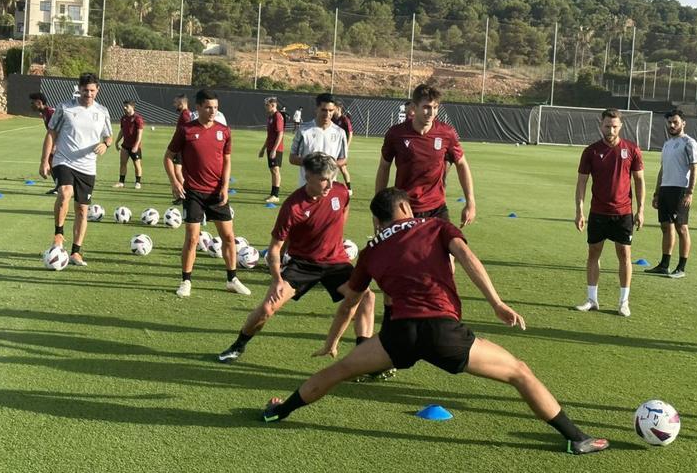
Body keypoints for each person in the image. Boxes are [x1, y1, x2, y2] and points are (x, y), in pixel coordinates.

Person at [259, 187, 610, 456]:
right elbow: (466, 256)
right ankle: (576, 439)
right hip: (443, 331)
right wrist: (496, 303)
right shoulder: (436, 225)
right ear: (406, 208)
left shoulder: (370, 250)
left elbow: (350, 304)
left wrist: (332, 342)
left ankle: (280, 411)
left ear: (379, 221)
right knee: (519, 372)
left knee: (336, 372)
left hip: (397, 336)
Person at [217, 152, 375, 363]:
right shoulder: (293, 207)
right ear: (308, 176)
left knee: (367, 297)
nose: (329, 184)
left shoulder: (340, 192)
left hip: (335, 263)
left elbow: (344, 209)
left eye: (332, 178)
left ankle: (363, 355)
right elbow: (274, 248)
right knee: (266, 308)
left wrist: (335, 241)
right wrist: (276, 280)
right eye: (323, 179)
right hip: (303, 265)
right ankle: (238, 346)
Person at [163, 89, 251, 298]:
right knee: (192, 238)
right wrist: (175, 182)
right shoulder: (186, 130)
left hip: (216, 193)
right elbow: (168, 156)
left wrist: (224, 187)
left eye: (216, 108)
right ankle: (186, 281)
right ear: (199, 107)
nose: (213, 111)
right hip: (193, 191)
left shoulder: (224, 131)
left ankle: (232, 279)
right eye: (209, 107)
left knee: (229, 236)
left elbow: (227, 160)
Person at [574, 108, 645, 317]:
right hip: (598, 212)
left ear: (621, 126)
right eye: (607, 126)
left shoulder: (632, 150)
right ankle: (592, 299)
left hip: (623, 213)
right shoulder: (591, 151)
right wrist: (579, 210)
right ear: (600, 125)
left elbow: (639, 181)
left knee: (624, 255)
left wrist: (640, 210)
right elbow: (581, 182)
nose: (611, 130)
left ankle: (624, 302)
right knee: (593, 252)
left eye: (614, 126)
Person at [37, 72, 112, 266]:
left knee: (82, 210)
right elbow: (51, 133)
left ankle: (76, 252)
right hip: (64, 161)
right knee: (64, 192)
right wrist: (45, 161)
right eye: (85, 90)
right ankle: (58, 234)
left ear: (98, 90)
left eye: (92, 90)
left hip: (87, 167)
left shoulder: (102, 111)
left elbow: (108, 136)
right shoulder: (65, 108)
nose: (88, 94)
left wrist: (106, 144)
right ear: (78, 89)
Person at [376, 84, 475, 226]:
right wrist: (379, 210)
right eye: (426, 107)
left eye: (435, 108)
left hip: (437, 208)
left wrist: (470, 203)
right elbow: (384, 167)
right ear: (414, 107)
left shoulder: (446, 133)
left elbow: (462, 164)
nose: (431, 113)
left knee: (452, 247)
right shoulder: (396, 134)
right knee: (405, 249)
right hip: (404, 209)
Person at [645, 109, 697, 278]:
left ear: (683, 123)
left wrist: (690, 192)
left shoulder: (689, 143)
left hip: (680, 190)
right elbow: (663, 169)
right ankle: (664, 264)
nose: (672, 125)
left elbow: (694, 167)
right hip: (666, 189)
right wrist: (656, 193)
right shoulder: (667, 144)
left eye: (675, 122)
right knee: (665, 226)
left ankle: (681, 267)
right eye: (669, 122)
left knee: (681, 228)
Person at [289, 93, 348, 189]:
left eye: (331, 110)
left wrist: (327, 165)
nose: (327, 114)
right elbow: (292, 158)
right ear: (316, 109)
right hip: (307, 187)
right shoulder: (303, 131)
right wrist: (313, 164)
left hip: (329, 188)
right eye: (324, 110)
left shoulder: (340, 133)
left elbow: (344, 159)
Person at [112, 100, 145, 189]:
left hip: (135, 146)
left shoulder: (138, 118)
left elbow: (140, 133)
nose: (124, 108)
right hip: (125, 146)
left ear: (132, 107)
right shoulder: (123, 118)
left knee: (137, 165)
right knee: (123, 163)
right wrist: (117, 141)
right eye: (124, 106)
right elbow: (122, 131)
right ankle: (121, 182)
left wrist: (136, 145)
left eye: (127, 106)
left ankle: (138, 182)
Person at [29, 92, 58, 195]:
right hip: (58, 142)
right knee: (51, 160)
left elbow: (57, 131)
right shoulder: (45, 113)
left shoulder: (50, 113)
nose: (31, 105)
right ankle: (58, 186)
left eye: (32, 103)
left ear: (39, 102)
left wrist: (54, 146)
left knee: (53, 161)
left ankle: (61, 186)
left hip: (62, 142)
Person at [259, 97, 284, 204]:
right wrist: (263, 148)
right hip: (270, 148)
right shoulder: (270, 117)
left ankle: (276, 195)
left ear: (273, 105)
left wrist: (274, 149)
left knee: (275, 170)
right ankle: (273, 193)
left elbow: (280, 133)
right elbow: (269, 136)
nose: (265, 107)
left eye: (267, 105)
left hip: (276, 149)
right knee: (272, 171)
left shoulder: (278, 116)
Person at [170, 94, 193, 205]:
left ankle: (187, 194)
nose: (175, 105)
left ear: (182, 103)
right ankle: (182, 195)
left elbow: (190, 131)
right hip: (180, 146)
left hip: (181, 147)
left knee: (178, 172)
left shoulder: (186, 115)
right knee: (177, 171)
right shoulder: (184, 114)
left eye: (176, 103)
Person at [332, 101, 353, 194]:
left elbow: (350, 133)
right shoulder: (332, 119)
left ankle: (349, 188)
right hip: (333, 148)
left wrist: (346, 147)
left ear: (339, 108)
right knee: (332, 167)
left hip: (341, 149)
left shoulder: (344, 119)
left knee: (343, 169)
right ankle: (332, 187)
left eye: (334, 108)